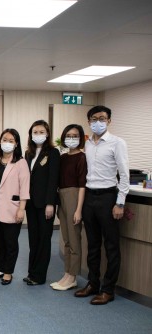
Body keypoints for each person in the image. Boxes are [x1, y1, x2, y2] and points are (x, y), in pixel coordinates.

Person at [74, 105, 129, 305]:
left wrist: (120, 203)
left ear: (109, 121)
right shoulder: (88, 144)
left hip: (108, 198)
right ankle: (93, 284)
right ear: (89, 122)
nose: (98, 122)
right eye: (94, 119)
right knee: (93, 245)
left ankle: (108, 289)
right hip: (90, 197)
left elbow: (124, 175)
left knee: (112, 246)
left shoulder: (117, 143)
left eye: (102, 118)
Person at [0, 129, 30, 285]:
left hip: (13, 209)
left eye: (11, 140)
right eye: (4, 140)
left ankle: (8, 271)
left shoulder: (21, 162)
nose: (7, 143)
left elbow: (25, 187)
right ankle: (1, 268)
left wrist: (22, 208)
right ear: (0, 142)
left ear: (16, 143)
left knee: (10, 242)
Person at [24, 120, 60, 286]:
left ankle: (39, 276)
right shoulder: (29, 153)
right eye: (35, 132)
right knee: (33, 238)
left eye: (41, 132)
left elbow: (53, 180)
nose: (38, 135)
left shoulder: (52, 152)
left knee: (44, 239)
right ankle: (32, 272)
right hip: (31, 203)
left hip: (45, 204)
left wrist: (50, 203)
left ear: (47, 134)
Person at [51, 124, 87, 291]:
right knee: (66, 239)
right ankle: (67, 273)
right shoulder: (63, 157)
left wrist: (78, 209)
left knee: (74, 239)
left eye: (75, 135)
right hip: (62, 196)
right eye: (68, 135)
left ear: (80, 138)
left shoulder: (82, 157)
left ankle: (73, 276)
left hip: (74, 196)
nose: (71, 138)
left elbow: (82, 186)